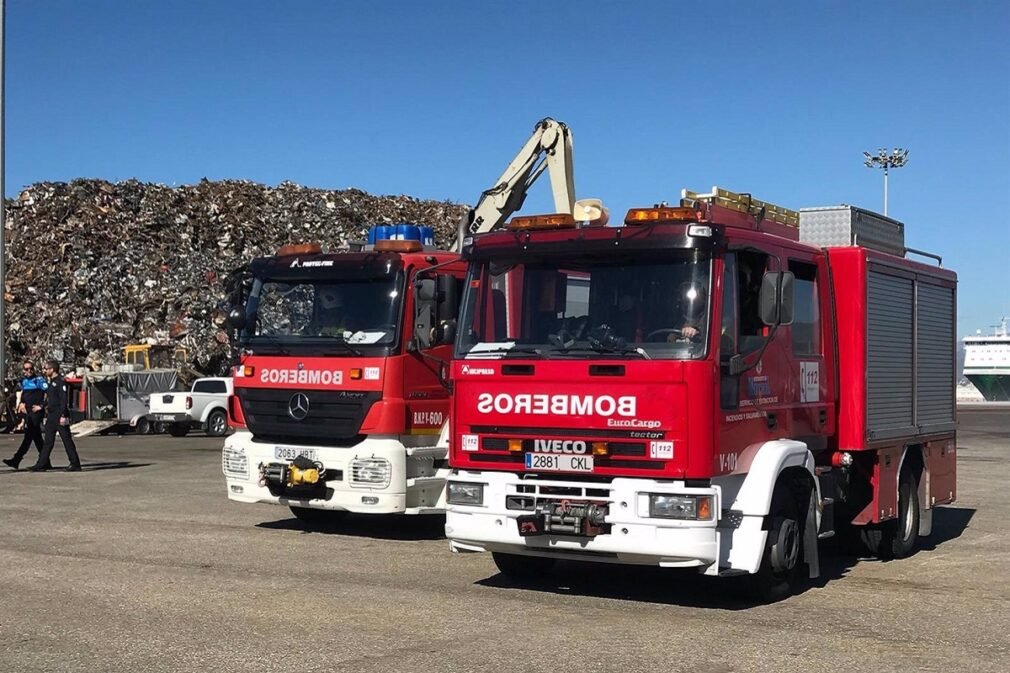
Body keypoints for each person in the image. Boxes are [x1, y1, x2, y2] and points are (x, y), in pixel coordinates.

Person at [28, 360, 81, 472]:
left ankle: (75, 463)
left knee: (66, 440)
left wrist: (63, 415)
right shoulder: (51, 383)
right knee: (48, 441)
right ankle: (41, 464)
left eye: (46, 369)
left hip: (59, 414)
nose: (45, 371)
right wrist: (41, 406)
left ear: (52, 370)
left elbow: (63, 400)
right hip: (51, 415)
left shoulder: (60, 382)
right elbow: (50, 399)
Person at [3, 361, 48, 470]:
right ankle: (45, 461)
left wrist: (42, 406)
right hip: (27, 412)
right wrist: (22, 403)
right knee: (37, 438)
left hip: (36, 412)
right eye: (26, 369)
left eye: (30, 369)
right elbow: (24, 394)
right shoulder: (23, 382)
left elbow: (50, 393)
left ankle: (16, 459)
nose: (29, 371)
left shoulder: (39, 381)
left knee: (28, 437)